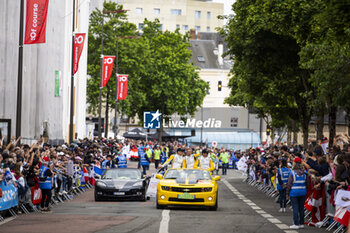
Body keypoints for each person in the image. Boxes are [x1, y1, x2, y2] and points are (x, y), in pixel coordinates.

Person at [287, 157, 308, 230]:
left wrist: (287, 192)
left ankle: (296, 223)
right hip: (303, 192)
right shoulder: (304, 173)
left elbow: (289, 183)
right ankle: (302, 223)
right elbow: (307, 183)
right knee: (301, 208)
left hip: (294, 192)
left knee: (295, 208)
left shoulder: (292, 172)